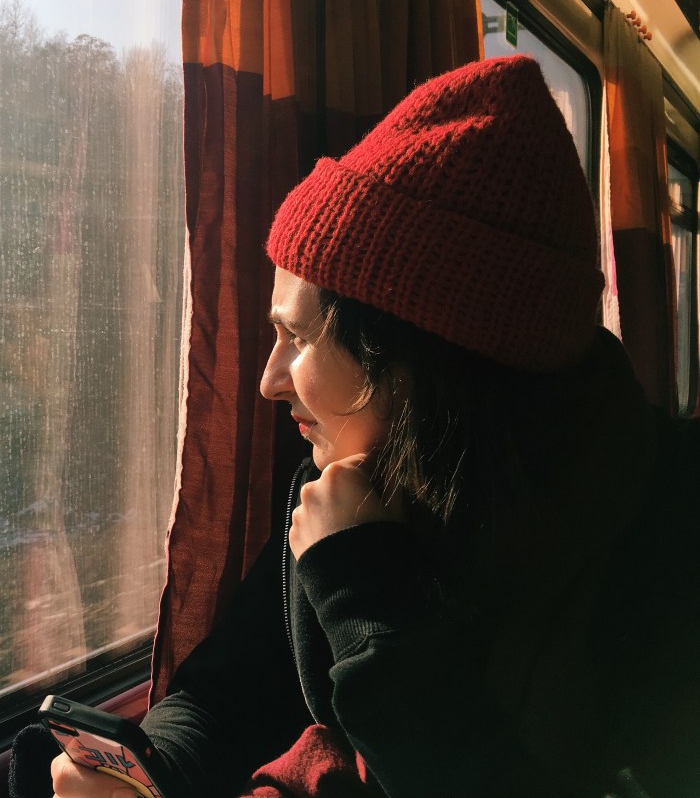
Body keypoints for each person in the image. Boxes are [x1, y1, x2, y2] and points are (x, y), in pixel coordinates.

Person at [36, 56, 700, 797]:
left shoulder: (666, 538)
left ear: (420, 353)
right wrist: (148, 771)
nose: (268, 379)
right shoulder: (346, 480)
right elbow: (227, 695)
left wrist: (367, 603)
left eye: (296, 337)